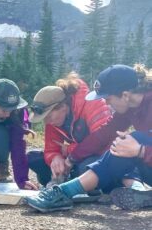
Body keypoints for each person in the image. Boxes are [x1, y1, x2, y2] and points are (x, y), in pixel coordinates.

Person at [25, 64, 152, 212]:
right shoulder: (129, 108)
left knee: (135, 139)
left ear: (125, 95)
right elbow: (102, 135)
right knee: (124, 144)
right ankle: (63, 192)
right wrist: (71, 159)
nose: (106, 103)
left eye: (108, 98)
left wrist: (142, 150)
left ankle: (64, 192)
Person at [27, 73, 112, 186]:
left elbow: (103, 142)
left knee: (85, 167)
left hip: (103, 156)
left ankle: (78, 182)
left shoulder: (93, 103)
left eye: (49, 117)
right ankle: (73, 180)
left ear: (63, 106)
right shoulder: (53, 119)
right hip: (77, 157)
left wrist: (69, 151)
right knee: (32, 158)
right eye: (44, 119)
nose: (47, 122)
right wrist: (55, 158)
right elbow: (51, 149)